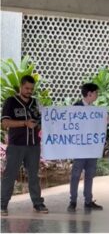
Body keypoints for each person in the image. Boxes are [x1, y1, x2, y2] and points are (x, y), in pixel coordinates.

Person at [1, 75, 48, 216]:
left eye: (31, 89)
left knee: (33, 175)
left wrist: (42, 126)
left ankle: (38, 204)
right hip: (16, 146)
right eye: (27, 88)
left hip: (34, 146)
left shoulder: (36, 103)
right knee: (10, 175)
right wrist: (24, 123)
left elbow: (43, 121)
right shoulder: (11, 102)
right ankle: (2, 205)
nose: (29, 91)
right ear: (21, 86)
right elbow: (5, 123)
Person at [67, 83, 103, 212]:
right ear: (89, 94)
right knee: (76, 175)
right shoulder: (76, 108)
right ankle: (73, 201)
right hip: (79, 149)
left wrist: (106, 120)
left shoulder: (96, 111)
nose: (97, 95)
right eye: (96, 93)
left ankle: (88, 201)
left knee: (90, 175)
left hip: (92, 148)